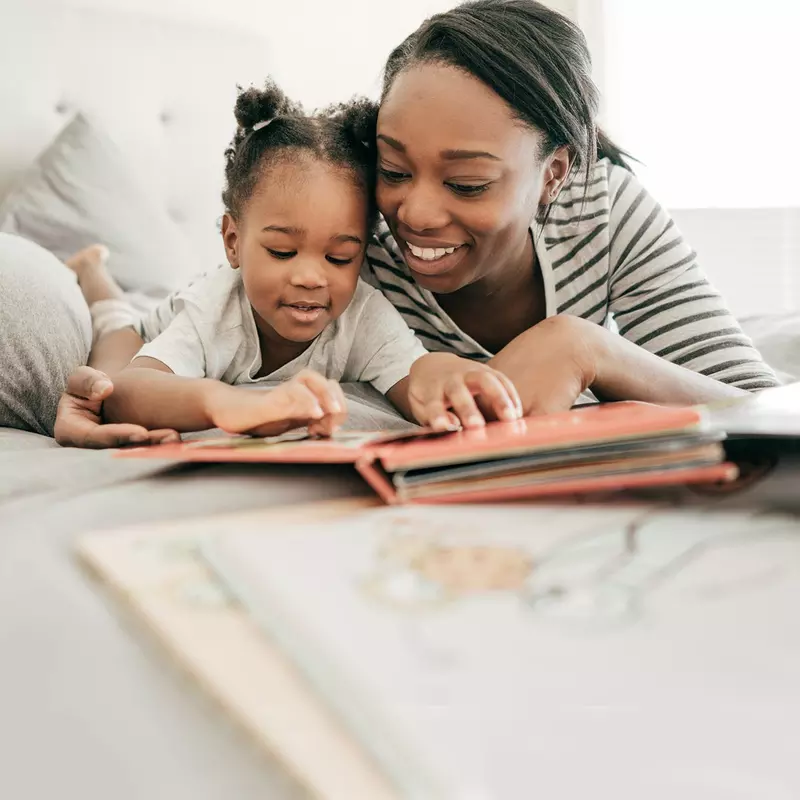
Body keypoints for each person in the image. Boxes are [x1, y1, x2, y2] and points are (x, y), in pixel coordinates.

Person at [1, 0, 778, 447]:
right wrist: (120, 392)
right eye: (394, 168)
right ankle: (94, 273)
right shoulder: (345, 237)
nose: (414, 213)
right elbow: (208, 335)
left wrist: (589, 348)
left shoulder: (604, 211)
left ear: (556, 173)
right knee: (124, 315)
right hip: (170, 311)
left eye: (468, 181)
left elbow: (764, 407)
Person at [79, 81, 521, 439]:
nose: (311, 277)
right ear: (233, 241)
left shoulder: (363, 316)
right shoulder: (212, 312)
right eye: (282, 252)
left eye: (339, 257)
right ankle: (92, 271)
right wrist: (227, 403)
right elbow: (128, 389)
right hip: (147, 329)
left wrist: (446, 377)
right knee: (112, 338)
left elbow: (415, 373)